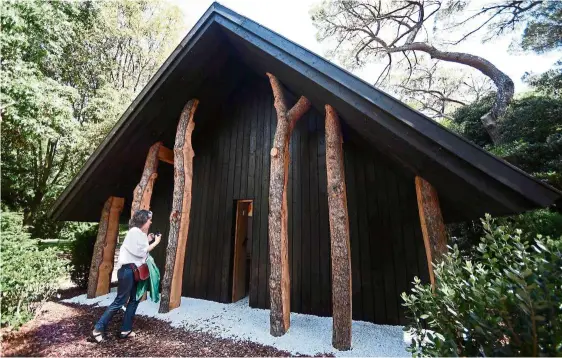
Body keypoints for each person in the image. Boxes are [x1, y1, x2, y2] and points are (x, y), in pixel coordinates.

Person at [90, 209, 162, 342]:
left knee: (134, 299)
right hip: (128, 271)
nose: (150, 222)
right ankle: (98, 329)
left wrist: (148, 239)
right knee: (120, 301)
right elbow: (141, 253)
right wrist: (156, 242)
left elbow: (136, 248)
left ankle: (125, 329)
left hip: (131, 271)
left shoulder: (137, 233)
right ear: (143, 220)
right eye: (149, 219)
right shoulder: (135, 232)